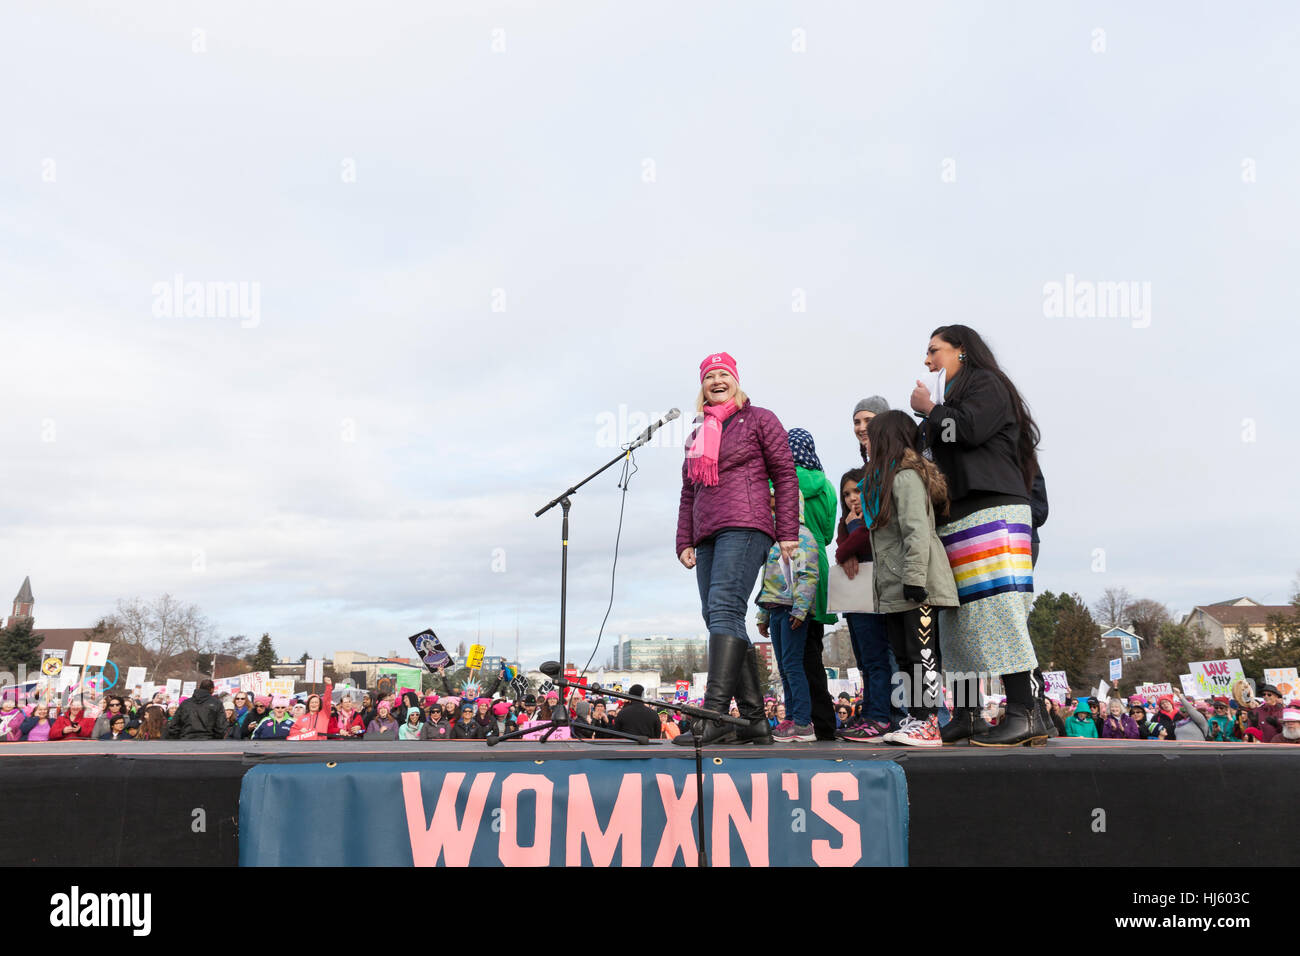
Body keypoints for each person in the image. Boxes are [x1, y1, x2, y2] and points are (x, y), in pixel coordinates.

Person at [912, 325, 1045, 746]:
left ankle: (1025, 711)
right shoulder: (953, 400)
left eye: (935, 350)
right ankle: (969, 714)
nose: (928, 360)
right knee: (960, 620)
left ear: (962, 351)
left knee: (997, 612)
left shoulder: (988, 385)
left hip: (993, 510)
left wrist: (930, 409)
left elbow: (966, 430)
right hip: (961, 515)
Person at [674, 352, 795, 747]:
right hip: (707, 532)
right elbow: (688, 491)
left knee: (724, 606)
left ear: (736, 380)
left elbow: (785, 474)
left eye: (724, 373)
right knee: (717, 615)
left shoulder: (760, 419)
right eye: (709, 376)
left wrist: (788, 530)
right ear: (702, 386)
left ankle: (714, 714)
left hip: (746, 524)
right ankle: (756, 721)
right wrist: (684, 540)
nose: (717, 380)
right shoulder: (697, 433)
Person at [858, 411, 960, 747]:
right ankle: (916, 718)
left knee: (922, 655)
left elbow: (916, 531)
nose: (866, 441)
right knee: (903, 656)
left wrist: (915, 579)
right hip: (894, 587)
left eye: (872, 435)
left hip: (918, 586)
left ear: (886, 438)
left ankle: (929, 721)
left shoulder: (905, 478)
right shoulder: (882, 481)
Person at [836, 464, 908, 744]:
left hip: (874, 594)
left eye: (857, 490)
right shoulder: (846, 522)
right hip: (854, 598)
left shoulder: (873, 518)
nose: (852, 498)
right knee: (865, 661)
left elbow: (857, 543)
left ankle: (882, 716)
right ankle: (870, 713)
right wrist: (848, 544)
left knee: (878, 658)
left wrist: (851, 539)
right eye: (847, 494)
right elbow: (841, 549)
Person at [754, 486, 822, 743]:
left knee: (793, 666)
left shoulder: (801, 537)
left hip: (792, 609)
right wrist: (762, 615)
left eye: (777, 508)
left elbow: (807, 576)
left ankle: (804, 722)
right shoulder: (774, 541)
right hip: (775, 609)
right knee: (784, 667)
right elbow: (767, 581)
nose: (773, 514)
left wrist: (801, 608)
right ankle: (792, 718)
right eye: (770, 509)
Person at [786, 427, 840, 742]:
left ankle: (802, 721)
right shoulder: (829, 488)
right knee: (813, 653)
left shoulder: (778, 480)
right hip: (817, 566)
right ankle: (825, 723)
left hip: (789, 566)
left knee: (793, 656)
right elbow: (830, 535)